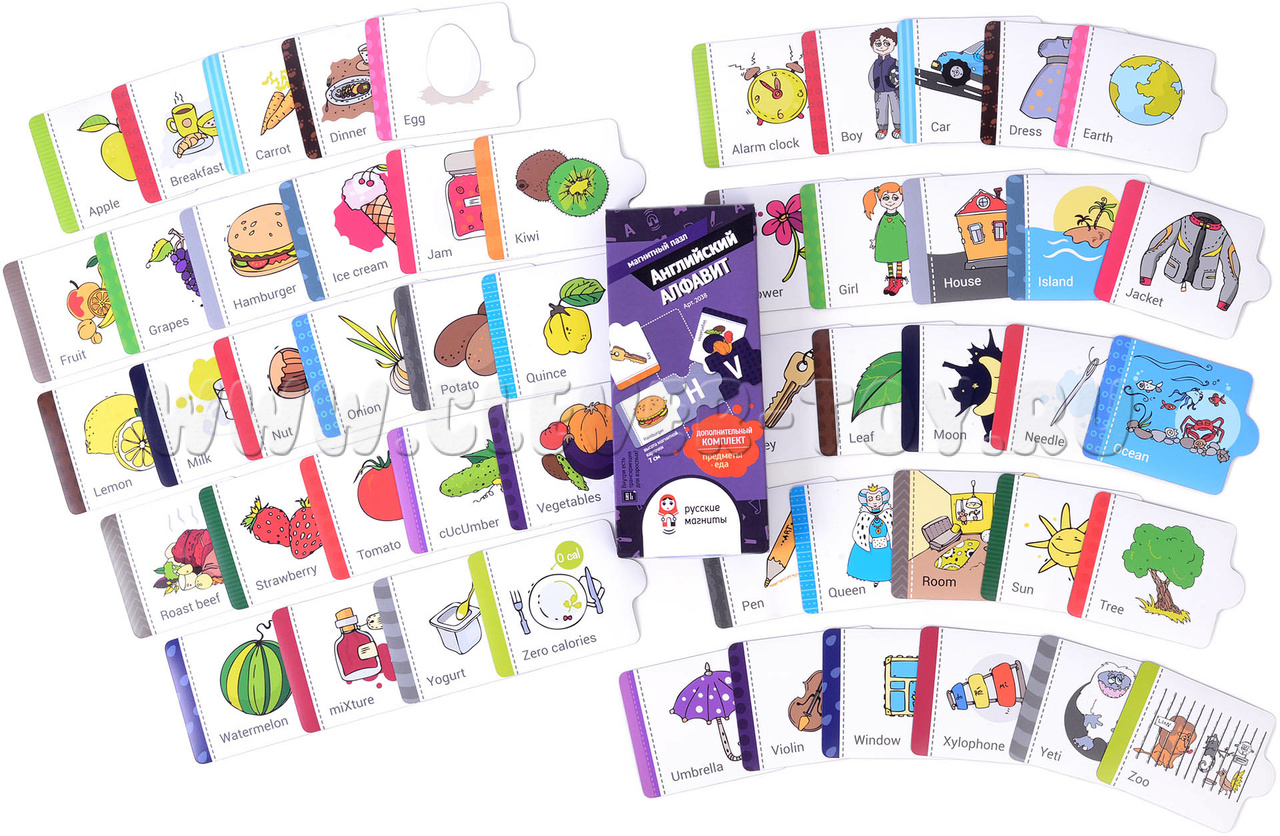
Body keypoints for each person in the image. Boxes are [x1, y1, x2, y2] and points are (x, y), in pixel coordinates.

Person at [863, 182, 909, 295]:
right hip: (886, 241)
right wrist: (875, 240)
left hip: (899, 240)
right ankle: (891, 281)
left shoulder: (898, 216)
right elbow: (878, 228)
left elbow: (906, 224)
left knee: (899, 258)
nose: (890, 201)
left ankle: (899, 282)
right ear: (880, 200)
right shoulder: (884, 217)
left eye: (895, 198)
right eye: (886, 198)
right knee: (889, 259)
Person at [868, 27, 900, 140]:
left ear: (894, 44)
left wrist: (899, 85)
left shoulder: (895, 62)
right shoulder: (876, 63)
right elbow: (871, 76)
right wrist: (874, 86)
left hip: (893, 90)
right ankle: (882, 128)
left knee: (896, 108)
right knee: (880, 109)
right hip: (879, 91)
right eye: (878, 43)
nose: (882, 46)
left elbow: (901, 74)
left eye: (886, 43)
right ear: (873, 45)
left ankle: (898, 127)